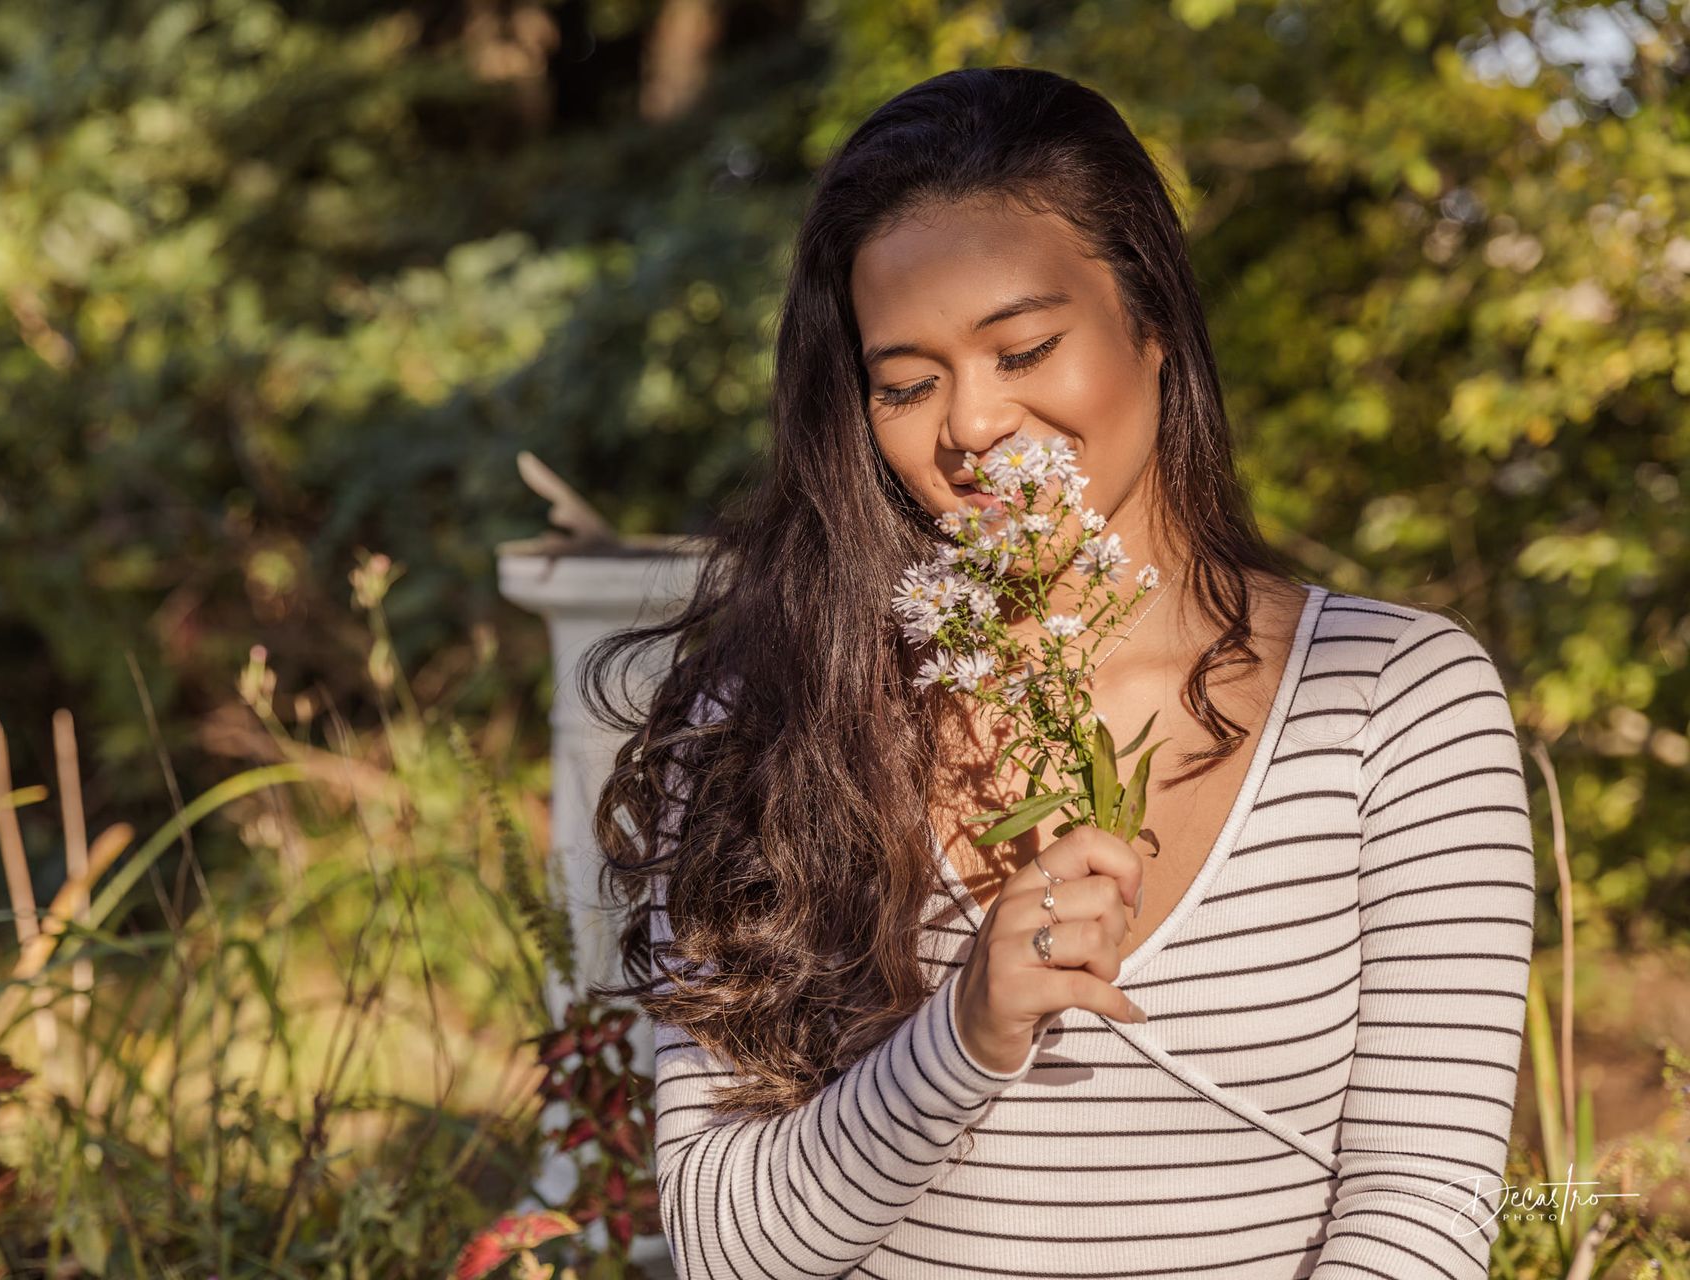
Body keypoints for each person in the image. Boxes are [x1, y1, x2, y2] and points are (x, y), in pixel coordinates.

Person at [581, 65, 1535, 1279]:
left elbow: (1421, 1211)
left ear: (1153, 322)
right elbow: (726, 1244)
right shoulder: (771, 718)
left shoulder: (1395, 699)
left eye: (1024, 348)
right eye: (906, 383)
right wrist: (962, 1034)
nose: (973, 425)